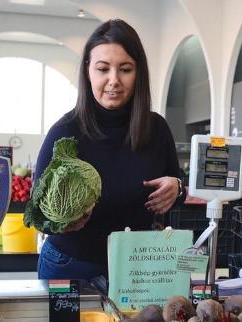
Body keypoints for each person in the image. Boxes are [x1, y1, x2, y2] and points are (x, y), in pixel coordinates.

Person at [33, 19, 182, 280]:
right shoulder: (65, 131)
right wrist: (63, 224)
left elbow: (177, 188)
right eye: (103, 69)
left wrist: (176, 187)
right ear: (88, 70)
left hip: (139, 268)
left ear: (138, 74)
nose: (113, 80)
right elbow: (37, 208)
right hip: (71, 265)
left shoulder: (156, 128)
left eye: (125, 69)